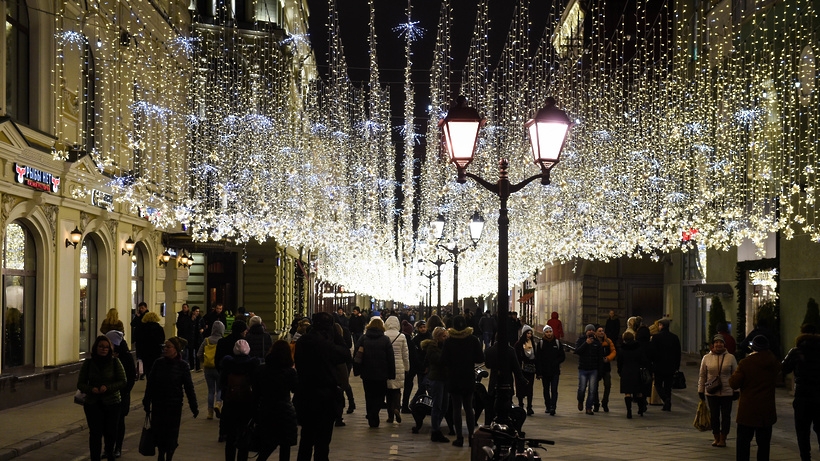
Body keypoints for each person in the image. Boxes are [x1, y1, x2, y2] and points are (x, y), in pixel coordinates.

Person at [293, 312, 349, 461]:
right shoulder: (328, 344)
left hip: (306, 394)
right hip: (326, 396)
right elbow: (345, 354)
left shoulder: (303, 341)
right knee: (323, 442)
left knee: (306, 438)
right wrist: (336, 335)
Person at [143, 336, 198, 461]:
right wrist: (147, 400)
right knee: (160, 433)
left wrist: (193, 406)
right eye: (164, 346)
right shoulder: (158, 363)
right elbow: (151, 383)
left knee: (171, 435)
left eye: (168, 347)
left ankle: (169, 455)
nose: (165, 349)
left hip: (174, 406)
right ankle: (161, 455)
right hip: (159, 405)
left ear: (176, 349)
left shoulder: (183, 366)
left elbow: (189, 387)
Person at [729, 335, 781, 461]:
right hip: (766, 410)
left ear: (753, 348)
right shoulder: (774, 362)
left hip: (748, 410)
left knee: (743, 444)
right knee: (764, 445)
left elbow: (734, 383)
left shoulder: (746, 363)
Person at [77, 335, 127, 461]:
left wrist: (108, 387)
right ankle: (95, 458)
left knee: (110, 433)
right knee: (95, 434)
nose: (103, 349)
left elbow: (122, 381)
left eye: (106, 347)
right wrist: (91, 389)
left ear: (110, 349)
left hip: (112, 402)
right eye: (101, 347)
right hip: (93, 403)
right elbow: (80, 383)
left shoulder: (115, 362)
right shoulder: (88, 363)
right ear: (96, 348)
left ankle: (110, 455)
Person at [442, 314, 484, 447]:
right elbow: (480, 358)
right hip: (468, 377)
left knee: (456, 408)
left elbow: (444, 360)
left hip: (454, 377)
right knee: (468, 407)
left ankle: (459, 437)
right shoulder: (472, 339)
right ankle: (471, 436)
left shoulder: (449, 341)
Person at [254, 340, 299, 461]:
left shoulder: (261, 370)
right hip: (285, 411)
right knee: (285, 447)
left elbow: (256, 392)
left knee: (266, 446)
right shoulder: (290, 372)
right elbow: (295, 389)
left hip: (266, 409)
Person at [781, 323, 820, 461]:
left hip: (802, 393)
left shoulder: (796, 351)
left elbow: (784, 368)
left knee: (802, 430)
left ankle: (806, 457)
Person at [220, 339, 259, 461]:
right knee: (244, 437)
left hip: (230, 404)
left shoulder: (227, 364)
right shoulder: (252, 365)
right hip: (247, 405)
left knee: (230, 438)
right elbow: (256, 386)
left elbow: (222, 383)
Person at [354, 317, 395, 428]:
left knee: (369, 395)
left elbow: (356, 354)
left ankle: (371, 416)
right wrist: (392, 373)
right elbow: (390, 358)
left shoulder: (363, 338)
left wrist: (357, 370)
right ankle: (374, 413)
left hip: (367, 372)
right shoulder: (385, 340)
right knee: (380, 396)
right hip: (382, 373)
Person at [698, 334, 738, 447]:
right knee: (714, 416)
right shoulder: (706, 358)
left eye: (721, 342)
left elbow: (736, 374)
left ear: (724, 344)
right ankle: (716, 436)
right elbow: (702, 375)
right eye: (716, 342)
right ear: (712, 344)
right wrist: (700, 390)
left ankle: (723, 438)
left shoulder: (731, 357)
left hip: (727, 392)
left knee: (726, 416)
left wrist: (736, 390)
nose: (718, 344)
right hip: (711, 391)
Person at [105, 330, 135, 458]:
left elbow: (131, 377)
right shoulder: (106, 355)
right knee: (107, 423)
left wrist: (124, 391)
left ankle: (118, 447)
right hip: (106, 395)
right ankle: (108, 448)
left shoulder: (125, 357)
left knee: (119, 422)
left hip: (121, 394)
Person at [420, 326, 450, 440]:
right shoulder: (432, 347)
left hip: (445, 378)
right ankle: (435, 430)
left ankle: (436, 425)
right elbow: (439, 360)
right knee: (437, 405)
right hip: (437, 378)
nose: (446, 338)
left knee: (445, 405)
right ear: (437, 337)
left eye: (446, 336)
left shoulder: (444, 346)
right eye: (443, 336)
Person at [616, 331, 649, 418]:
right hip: (637, 371)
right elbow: (644, 360)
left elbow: (619, 362)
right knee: (639, 392)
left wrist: (619, 371)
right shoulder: (639, 348)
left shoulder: (622, 349)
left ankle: (629, 411)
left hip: (626, 372)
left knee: (627, 392)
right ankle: (640, 409)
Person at [651, 317, 681, 411]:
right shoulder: (674, 337)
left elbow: (653, 352)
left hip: (659, 366)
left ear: (661, 326)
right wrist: (677, 366)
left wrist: (653, 364)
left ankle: (666, 400)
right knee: (668, 387)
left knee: (658, 385)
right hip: (671, 366)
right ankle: (667, 405)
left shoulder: (656, 338)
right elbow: (678, 353)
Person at [384, 316, 410, 424]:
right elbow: (405, 354)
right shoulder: (402, 336)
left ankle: (390, 415)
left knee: (388, 391)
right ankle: (397, 408)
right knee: (397, 391)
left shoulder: (384, 335)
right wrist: (407, 367)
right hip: (399, 365)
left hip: (387, 366)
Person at [197, 320, 225, 420]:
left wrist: (204, 361)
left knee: (210, 391)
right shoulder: (222, 341)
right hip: (219, 368)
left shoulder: (206, 340)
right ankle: (218, 403)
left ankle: (210, 412)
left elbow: (199, 354)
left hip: (208, 368)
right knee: (219, 389)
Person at [535, 324, 565, 415]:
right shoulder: (541, 343)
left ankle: (553, 407)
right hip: (544, 371)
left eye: (550, 332)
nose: (549, 334)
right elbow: (538, 359)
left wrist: (556, 362)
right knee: (546, 389)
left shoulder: (557, 343)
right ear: (544, 333)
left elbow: (562, 356)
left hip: (555, 371)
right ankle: (547, 406)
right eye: (547, 332)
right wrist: (538, 372)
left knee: (554, 389)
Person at [575, 324, 602, 415]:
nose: (590, 331)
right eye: (589, 330)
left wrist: (600, 370)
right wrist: (586, 343)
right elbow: (577, 351)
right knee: (582, 388)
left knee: (592, 390)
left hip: (593, 369)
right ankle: (580, 400)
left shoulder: (597, 342)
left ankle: (589, 407)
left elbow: (600, 356)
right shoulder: (581, 340)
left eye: (592, 330)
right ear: (586, 331)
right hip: (583, 368)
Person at [513, 325, 538, 415]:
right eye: (527, 333)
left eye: (530, 333)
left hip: (531, 369)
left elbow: (536, 357)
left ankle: (529, 407)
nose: (529, 335)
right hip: (521, 370)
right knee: (520, 388)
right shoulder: (518, 344)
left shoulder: (534, 344)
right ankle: (520, 405)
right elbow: (516, 358)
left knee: (530, 388)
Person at [594, 325, 617, 412]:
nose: (601, 332)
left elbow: (613, 351)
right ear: (596, 332)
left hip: (606, 367)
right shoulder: (594, 342)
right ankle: (596, 403)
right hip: (596, 367)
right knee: (594, 387)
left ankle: (605, 402)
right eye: (599, 331)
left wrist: (608, 358)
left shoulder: (608, 341)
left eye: (602, 331)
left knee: (608, 385)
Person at [139, 312, 166, 379]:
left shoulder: (142, 328)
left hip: (145, 351)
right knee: (155, 368)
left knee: (147, 368)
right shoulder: (159, 328)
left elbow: (139, 339)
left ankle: (149, 383)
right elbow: (162, 339)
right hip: (156, 350)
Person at [131, 302, 148, 375]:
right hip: (138, 339)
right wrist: (137, 316)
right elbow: (132, 324)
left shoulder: (148, 316)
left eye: (142, 308)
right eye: (140, 308)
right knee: (139, 356)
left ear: (146, 308)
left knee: (144, 355)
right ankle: (140, 370)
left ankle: (143, 371)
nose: (141, 309)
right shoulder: (139, 315)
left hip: (145, 339)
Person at [190, 306, 205, 371]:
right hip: (192, 337)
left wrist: (202, 329)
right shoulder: (190, 318)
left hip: (198, 337)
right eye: (196, 311)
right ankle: (192, 366)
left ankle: (198, 367)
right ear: (193, 311)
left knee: (197, 352)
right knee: (191, 352)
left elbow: (204, 326)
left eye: (198, 311)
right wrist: (192, 320)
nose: (197, 313)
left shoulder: (200, 318)